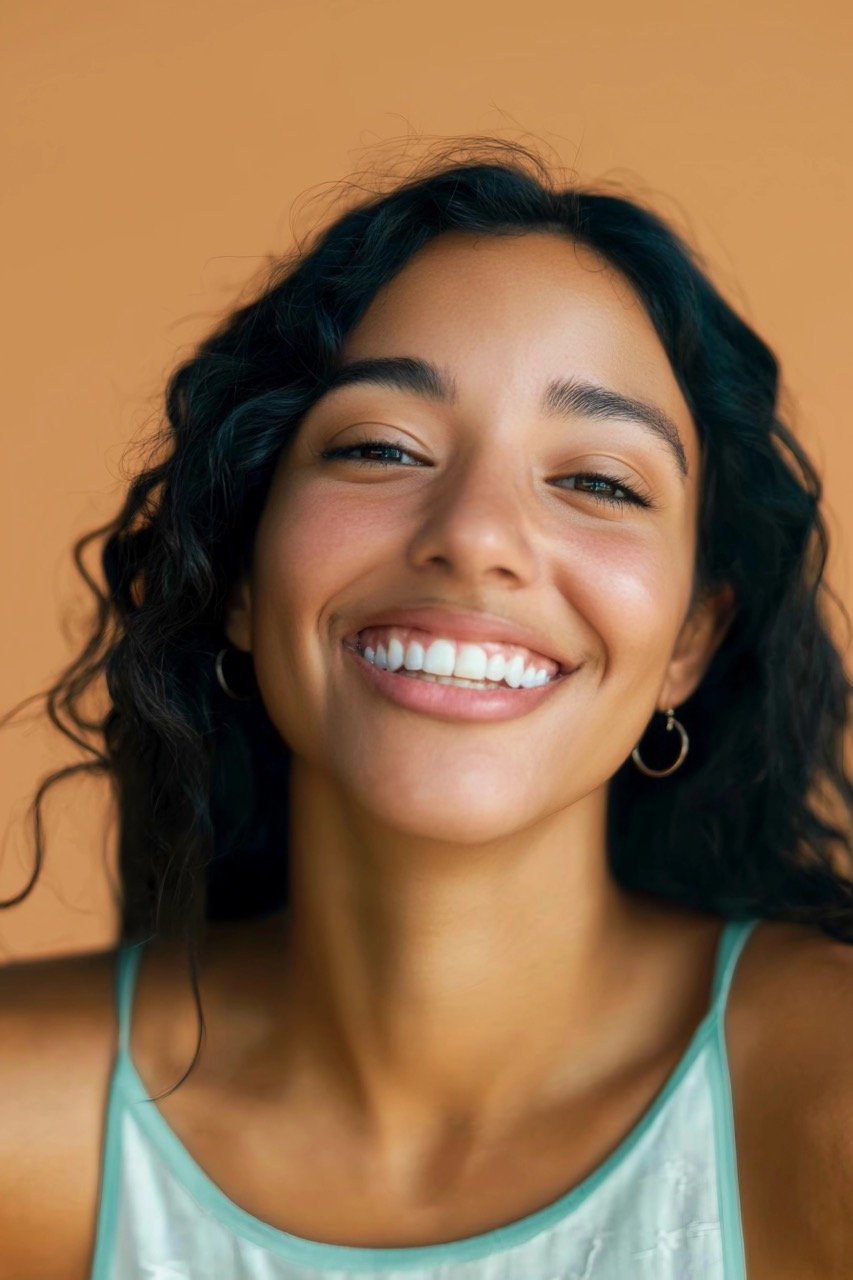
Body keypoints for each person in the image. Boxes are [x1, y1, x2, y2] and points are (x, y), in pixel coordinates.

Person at [1, 139, 852, 1280]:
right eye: (379, 447)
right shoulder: (25, 1120)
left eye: (597, 479)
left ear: (689, 641)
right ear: (242, 580)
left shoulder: (821, 1100)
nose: (476, 533)